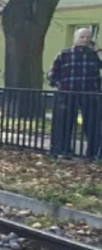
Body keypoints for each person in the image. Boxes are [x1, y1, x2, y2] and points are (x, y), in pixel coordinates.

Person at [48, 28, 101, 158]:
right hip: (68, 93)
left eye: (88, 37)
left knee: (92, 124)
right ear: (75, 38)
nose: (85, 40)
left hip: (90, 94)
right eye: (82, 37)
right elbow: (52, 73)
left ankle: (93, 153)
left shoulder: (94, 55)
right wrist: (57, 84)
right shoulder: (64, 54)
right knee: (65, 122)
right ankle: (63, 150)